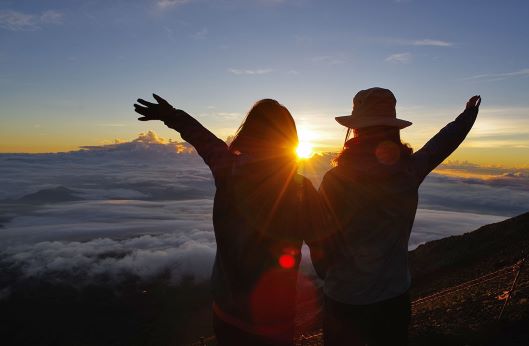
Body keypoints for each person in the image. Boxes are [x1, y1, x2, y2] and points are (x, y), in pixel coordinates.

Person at [134, 95, 323, 346]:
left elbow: (204, 140)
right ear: (289, 140)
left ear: (250, 132)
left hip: (228, 312)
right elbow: (322, 246)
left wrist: (171, 115)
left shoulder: (229, 170)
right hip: (276, 315)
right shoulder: (302, 188)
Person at [314, 87, 481, 345]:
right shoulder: (409, 171)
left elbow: (320, 242)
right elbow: (440, 144)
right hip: (392, 298)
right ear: (394, 129)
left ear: (355, 129)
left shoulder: (335, 179)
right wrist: (468, 115)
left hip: (344, 299)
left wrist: (329, 271)